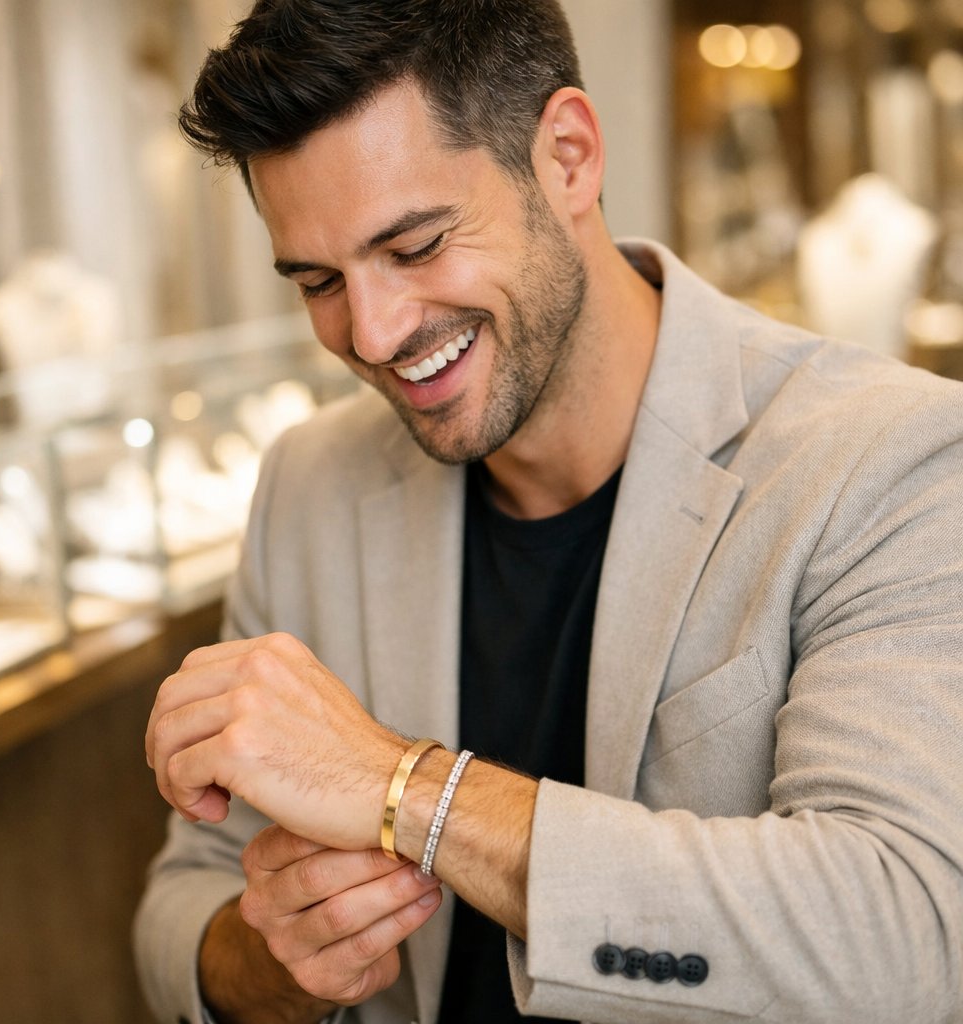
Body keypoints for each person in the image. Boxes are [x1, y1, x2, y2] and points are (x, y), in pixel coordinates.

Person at [135, 2, 963, 1022]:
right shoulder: (307, 487)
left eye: (416, 244)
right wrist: (268, 962)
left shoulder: (891, 456)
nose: (374, 331)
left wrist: (406, 789)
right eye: (316, 281)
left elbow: (905, 942)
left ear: (568, 156)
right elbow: (185, 900)